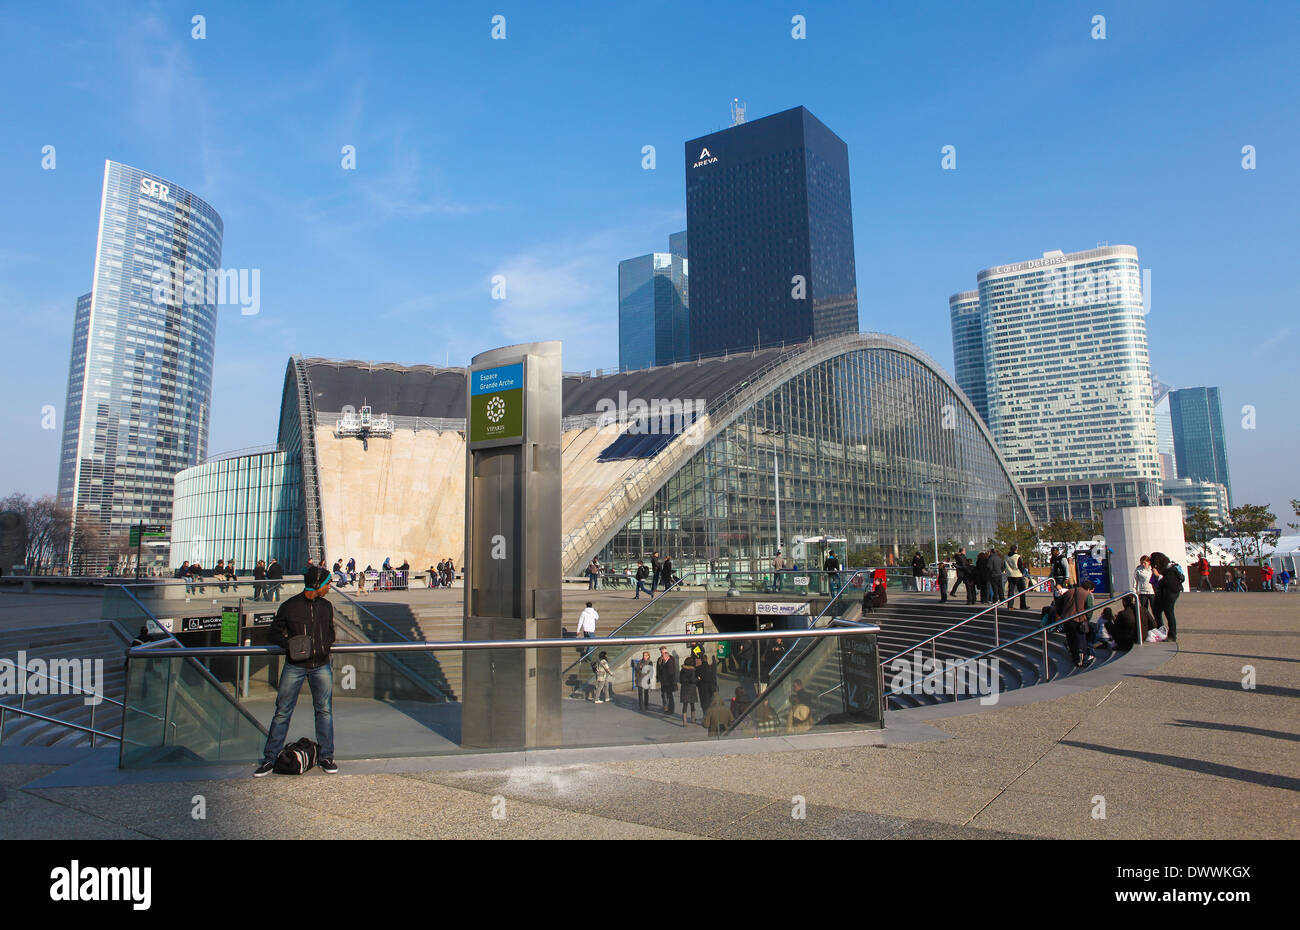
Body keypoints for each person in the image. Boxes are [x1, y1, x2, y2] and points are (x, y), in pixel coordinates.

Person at [255, 565, 339, 776]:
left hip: (321, 664)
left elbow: (330, 631)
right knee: (282, 711)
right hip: (295, 666)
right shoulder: (289, 606)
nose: (330, 587)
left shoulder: (326, 606)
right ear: (317, 584)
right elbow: (273, 633)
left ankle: (326, 756)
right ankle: (270, 758)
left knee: (324, 711)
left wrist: (325, 645)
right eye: (328, 583)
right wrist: (291, 645)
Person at [1060, 580, 1096, 668]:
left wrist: (1062, 614)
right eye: (1091, 591)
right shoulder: (1086, 595)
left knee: (1071, 639)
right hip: (1079, 620)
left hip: (1067, 619)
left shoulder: (1069, 592)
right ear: (1088, 589)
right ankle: (1081, 660)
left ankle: (1074, 657)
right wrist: (1087, 618)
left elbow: (1059, 605)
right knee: (1081, 641)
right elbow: (1089, 609)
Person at [1150, 551, 1182, 642]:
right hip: (1164, 594)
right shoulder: (1165, 568)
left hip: (1170, 594)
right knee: (1157, 610)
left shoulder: (1170, 570)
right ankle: (1161, 630)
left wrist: (1158, 576)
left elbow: (1168, 583)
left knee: (1169, 613)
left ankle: (1172, 635)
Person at [655, 646, 677, 714]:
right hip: (663, 680)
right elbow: (658, 669)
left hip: (669, 681)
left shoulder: (671, 658)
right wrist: (658, 677)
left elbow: (672, 670)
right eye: (661, 652)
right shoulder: (659, 659)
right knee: (663, 694)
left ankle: (670, 709)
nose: (662, 654)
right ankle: (665, 707)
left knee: (669, 695)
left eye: (664, 652)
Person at [1005, 545, 1028, 609]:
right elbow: (1020, 565)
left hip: (1010, 575)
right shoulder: (1017, 556)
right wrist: (1023, 572)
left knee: (1011, 591)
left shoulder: (1006, 557)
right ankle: (1023, 605)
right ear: (1016, 549)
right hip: (1018, 575)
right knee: (1022, 591)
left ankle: (1010, 605)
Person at [678, 655, 699, 725]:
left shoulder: (682, 670)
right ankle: (693, 719)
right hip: (691, 688)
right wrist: (698, 679)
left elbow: (680, 680)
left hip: (684, 688)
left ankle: (684, 721)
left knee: (685, 705)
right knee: (692, 704)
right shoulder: (692, 670)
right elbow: (692, 680)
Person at [1134, 555, 1156, 621]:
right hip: (1142, 592)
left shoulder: (1152, 569)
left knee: (1155, 610)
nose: (1143, 564)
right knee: (1144, 610)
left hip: (1152, 592)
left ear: (1149, 562)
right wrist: (1134, 593)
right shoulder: (1138, 570)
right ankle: (1145, 624)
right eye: (1142, 563)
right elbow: (1135, 582)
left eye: (1145, 563)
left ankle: (1157, 623)